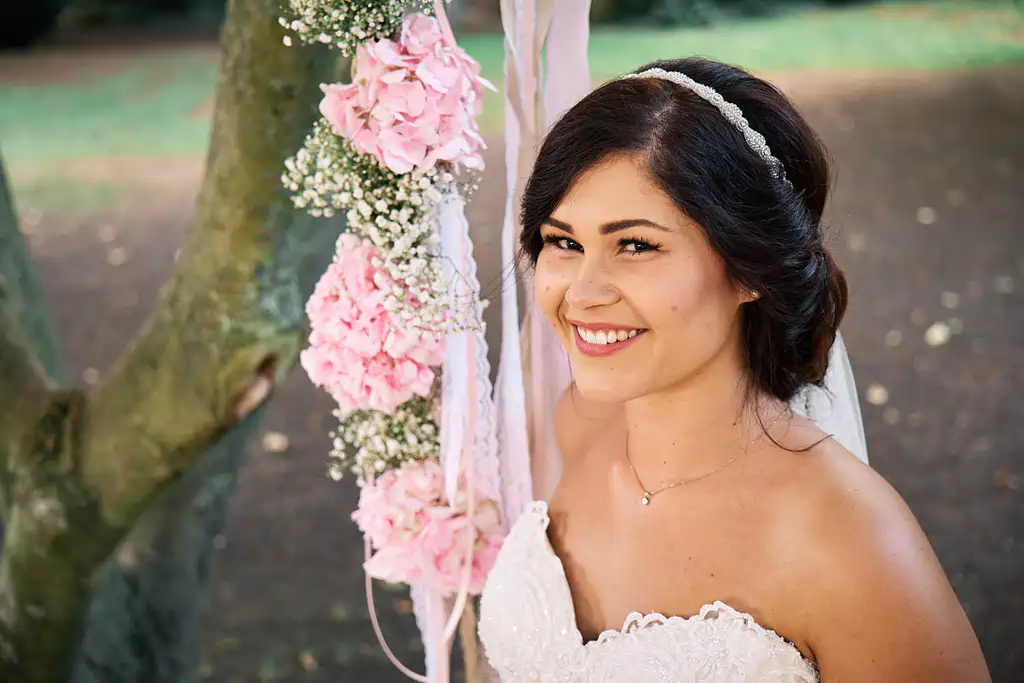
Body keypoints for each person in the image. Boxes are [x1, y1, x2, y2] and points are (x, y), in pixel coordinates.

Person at [476, 57, 990, 682]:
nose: (582, 293)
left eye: (635, 245)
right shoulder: (579, 424)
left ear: (748, 268)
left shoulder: (849, 542)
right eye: (564, 242)